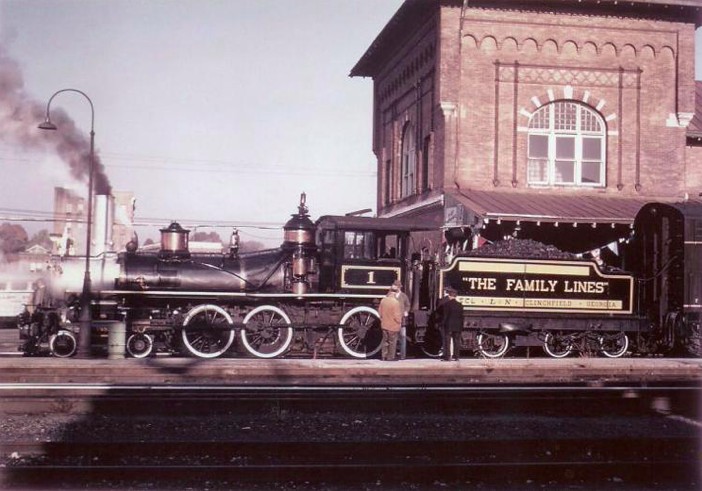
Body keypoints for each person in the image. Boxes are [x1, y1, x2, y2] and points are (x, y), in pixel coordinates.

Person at [378, 287, 402, 361]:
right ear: (395, 293)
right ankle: (390, 357)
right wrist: (399, 323)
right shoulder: (395, 302)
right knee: (392, 342)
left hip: (384, 324)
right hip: (393, 325)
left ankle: (383, 356)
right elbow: (397, 315)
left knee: (385, 341)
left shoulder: (383, 301)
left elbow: (380, 313)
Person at [441, 287, 463, 361]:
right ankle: (456, 356)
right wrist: (461, 326)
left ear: (450, 296)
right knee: (456, 341)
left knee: (447, 341)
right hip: (457, 326)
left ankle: (448, 357)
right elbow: (462, 317)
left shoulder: (447, 304)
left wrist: (442, 324)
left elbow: (445, 316)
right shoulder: (460, 305)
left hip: (449, 326)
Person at [392, 280, 410, 359]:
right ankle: (393, 354)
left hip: (402, 320)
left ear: (399, 287)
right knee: (393, 338)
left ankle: (403, 355)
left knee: (402, 337)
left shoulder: (404, 296)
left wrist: (406, 311)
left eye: (396, 286)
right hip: (393, 319)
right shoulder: (391, 295)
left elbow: (407, 305)